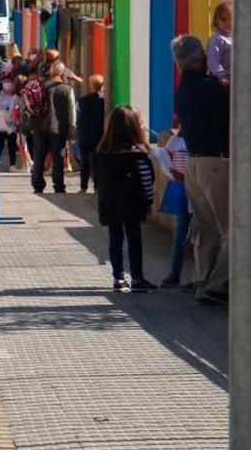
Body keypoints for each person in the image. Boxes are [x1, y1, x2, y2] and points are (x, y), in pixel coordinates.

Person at [172, 34, 230, 306]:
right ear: (200, 58)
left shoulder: (183, 89)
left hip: (193, 163)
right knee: (232, 227)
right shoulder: (211, 88)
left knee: (206, 229)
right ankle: (218, 286)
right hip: (215, 162)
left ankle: (202, 282)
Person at [92, 105, 157, 293]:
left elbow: (97, 179)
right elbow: (146, 180)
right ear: (134, 127)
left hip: (110, 203)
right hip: (132, 203)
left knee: (115, 238)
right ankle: (137, 278)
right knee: (134, 238)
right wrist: (148, 202)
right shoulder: (138, 154)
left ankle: (118, 278)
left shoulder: (102, 152)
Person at [156, 128, 191, 288]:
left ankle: (198, 276)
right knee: (180, 233)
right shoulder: (176, 140)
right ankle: (174, 272)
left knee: (201, 234)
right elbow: (165, 156)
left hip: (197, 189)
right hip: (183, 190)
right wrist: (174, 173)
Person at [46, 62, 76, 194]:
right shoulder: (67, 89)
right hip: (60, 128)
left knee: (40, 155)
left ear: (51, 72)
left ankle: (37, 184)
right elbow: (71, 110)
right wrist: (72, 128)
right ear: (62, 74)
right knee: (58, 158)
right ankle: (58, 186)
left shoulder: (43, 86)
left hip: (43, 126)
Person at [75, 74, 106, 192]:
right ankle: (97, 186)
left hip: (84, 136)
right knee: (97, 161)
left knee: (84, 162)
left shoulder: (82, 101)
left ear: (90, 86)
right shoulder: (103, 102)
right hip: (98, 136)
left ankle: (83, 186)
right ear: (102, 86)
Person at [0, 76, 20, 170]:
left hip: (11, 126)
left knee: (12, 146)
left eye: (9, 81)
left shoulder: (15, 96)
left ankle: (12, 165)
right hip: (0, 125)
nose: (7, 83)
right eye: (5, 81)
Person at [207, 0, 233, 83]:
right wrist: (221, 74)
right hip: (223, 79)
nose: (228, 22)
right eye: (224, 20)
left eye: (231, 19)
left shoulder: (235, 37)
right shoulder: (217, 39)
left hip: (236, 77)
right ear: (216, 22)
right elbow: (213, 60)